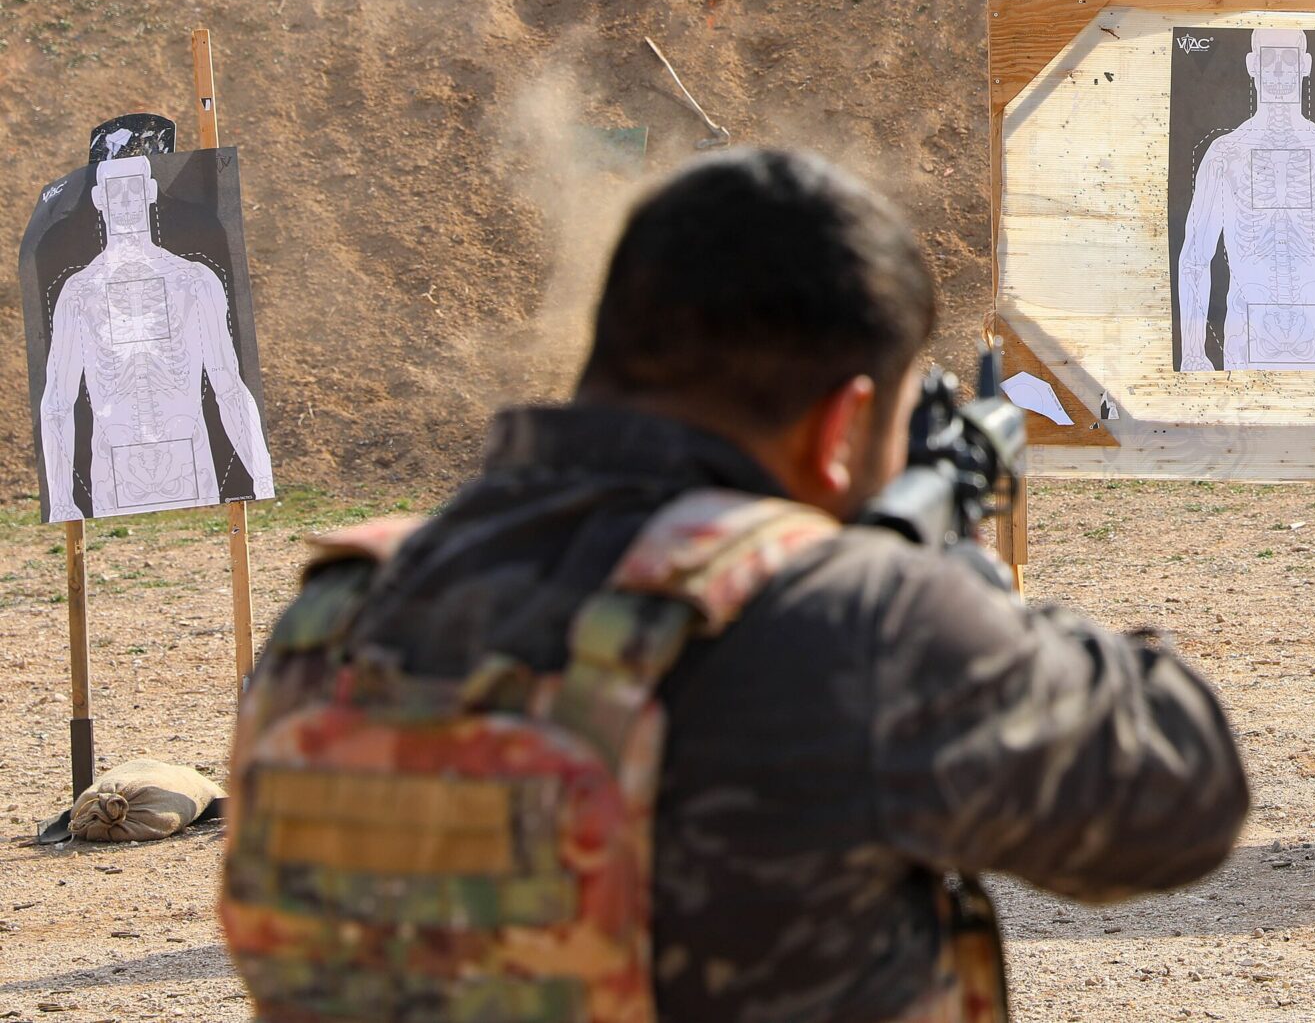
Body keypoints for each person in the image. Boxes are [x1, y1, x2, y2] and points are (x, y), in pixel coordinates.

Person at [223, 149, 1249, 1022]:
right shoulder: (857, 626)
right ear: (841, 427)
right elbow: (1180, 797)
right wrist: (950, 570)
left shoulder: (343, 611)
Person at [39, 153, 273, 520]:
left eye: (135, 189)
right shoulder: (80, 292)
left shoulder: (194, 282)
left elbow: (229, 386)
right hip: (113, 473)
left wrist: (261, 474)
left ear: (149, 192)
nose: (127, 202)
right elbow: (56, 402)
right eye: (117, 192)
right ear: (100, 200)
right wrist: (61, 501)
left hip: (191, 463)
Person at [1177, 27, 1315, 371]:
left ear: (1305, 64)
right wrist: (1192, 352)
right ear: (1253, 64)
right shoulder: (1224, 156)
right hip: (1247, 344)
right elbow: (1194, 259)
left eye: (1289, 58)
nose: (1280, 69)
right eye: (1270, 58)